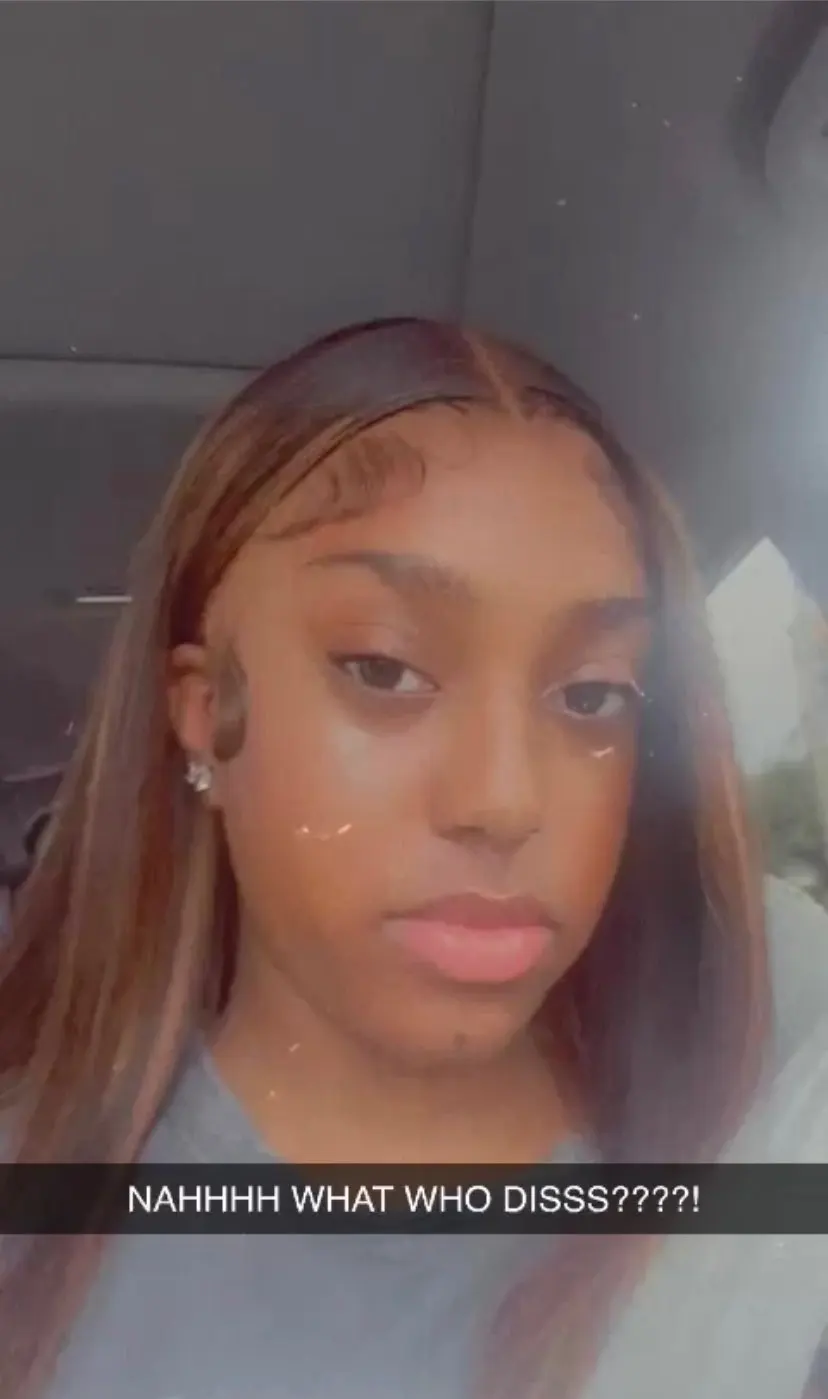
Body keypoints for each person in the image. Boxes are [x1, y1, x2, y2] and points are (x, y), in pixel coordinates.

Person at [1, 317, 828, 1399]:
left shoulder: (770, 1194)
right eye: (385, 669)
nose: (503, 799)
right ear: (204, 715)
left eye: (591, 695)